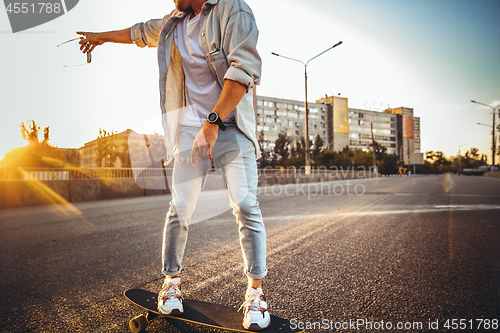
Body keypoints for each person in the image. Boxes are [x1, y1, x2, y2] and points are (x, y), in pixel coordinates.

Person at [77, 0, 269, 330]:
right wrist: (101, 37)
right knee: (180, 207)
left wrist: (213, 122)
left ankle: (256, 294)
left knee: (245, 205)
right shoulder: (173, 23)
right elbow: (138, 32)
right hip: (190, 130)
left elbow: (243, 70)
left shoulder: (232, 9)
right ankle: (171, 284)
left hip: (231, 125)